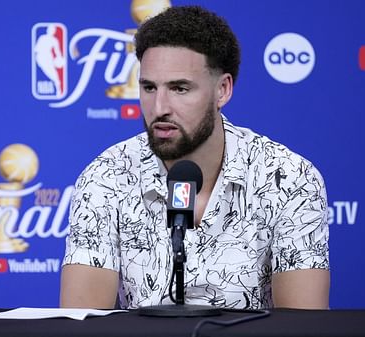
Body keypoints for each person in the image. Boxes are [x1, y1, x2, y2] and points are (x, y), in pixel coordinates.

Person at [60, 5, 329, 310]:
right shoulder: (106, 176)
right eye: (149, 87)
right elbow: (83, 322)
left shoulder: (289, 177)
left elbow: (302, 324)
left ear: (223, 90)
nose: (159, 106)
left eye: (179, 88)